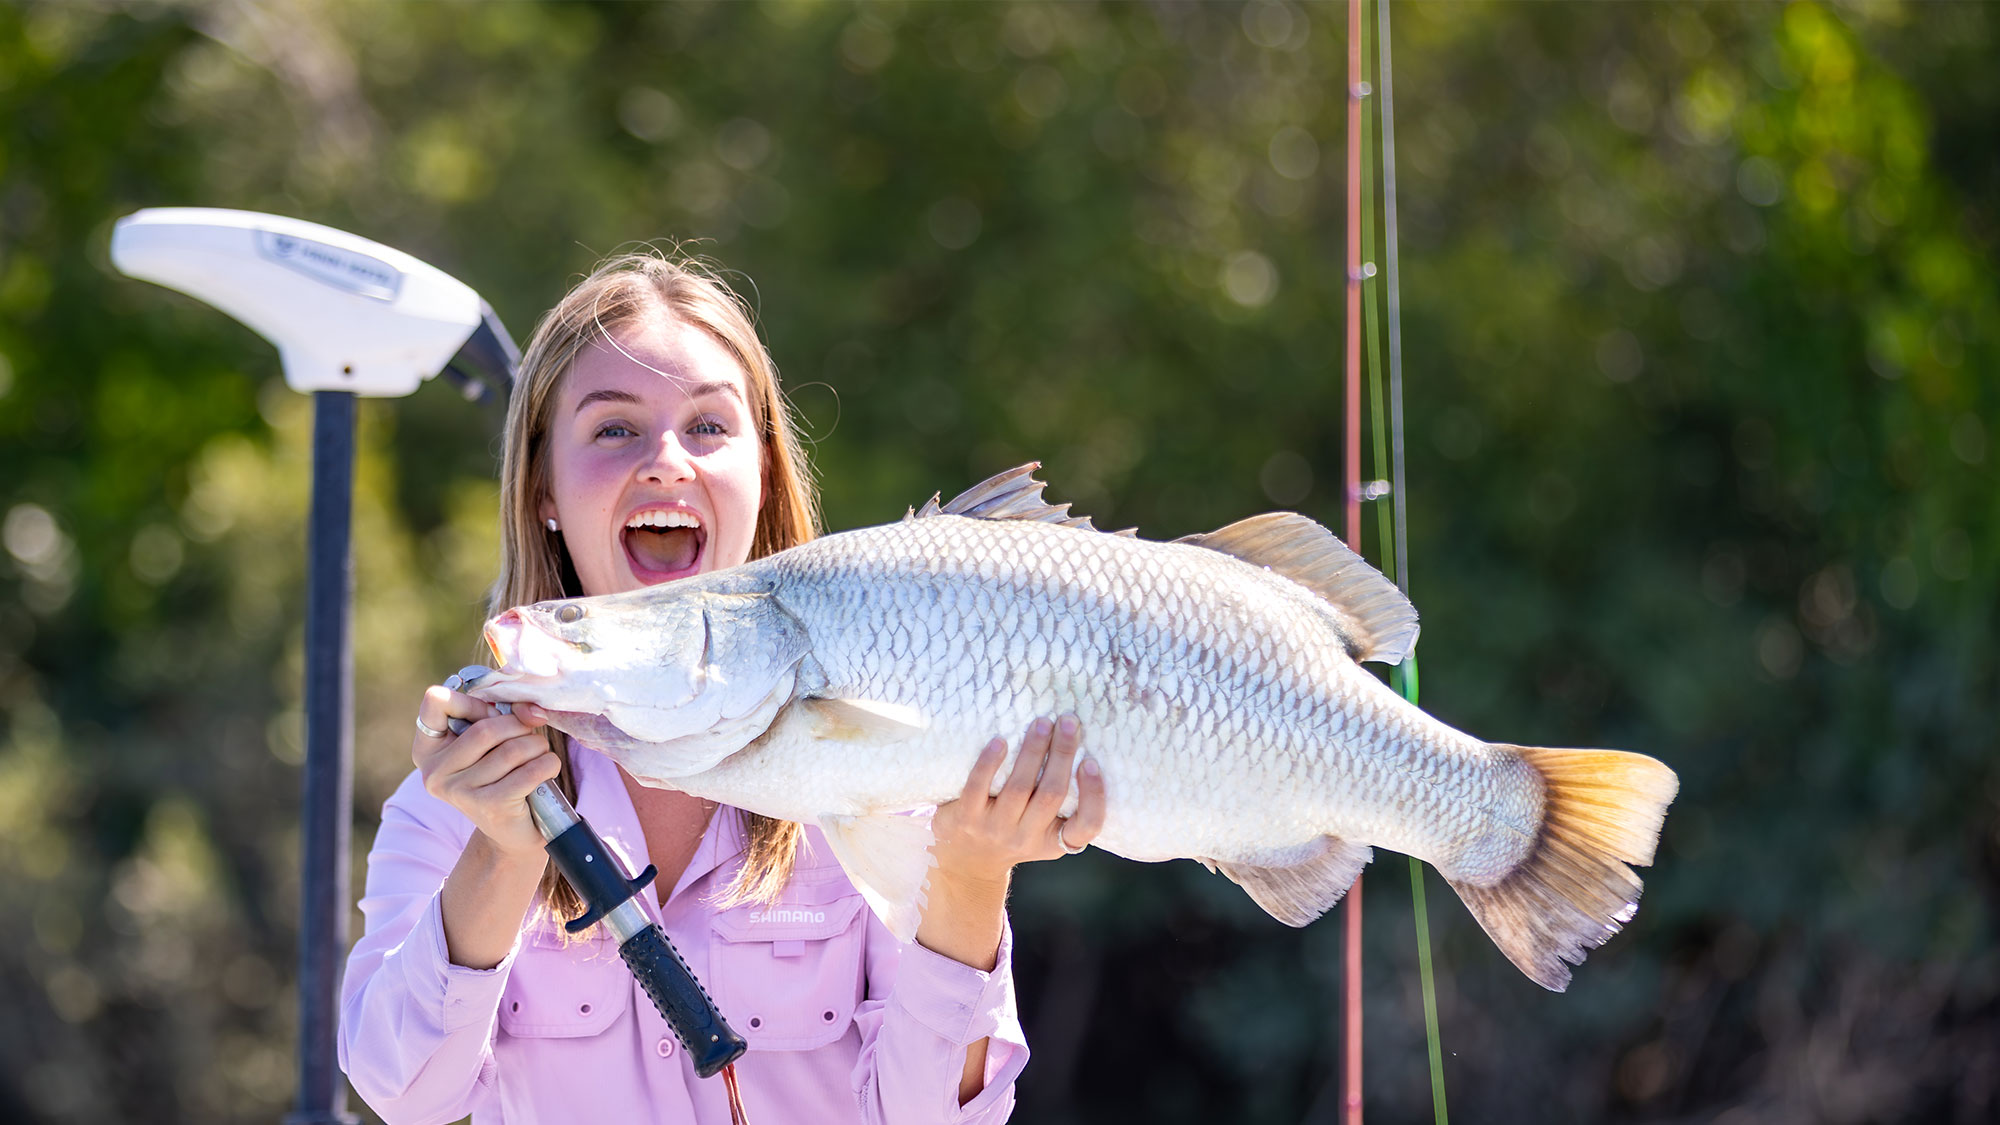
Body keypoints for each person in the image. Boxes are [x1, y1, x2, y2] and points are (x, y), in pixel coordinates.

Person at [338, 252, 1108, 1124]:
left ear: (766, 471)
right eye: (614, 429)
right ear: (543, 488)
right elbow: (404, 1094)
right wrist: (505, 848)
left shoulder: (884, 769)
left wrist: (970, 877)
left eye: (708, 426)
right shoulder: (451, 801)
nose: (667, 461)